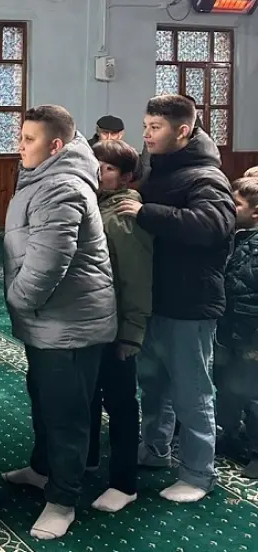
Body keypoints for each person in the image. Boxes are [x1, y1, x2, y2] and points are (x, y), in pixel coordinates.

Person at [1, 105, 116, 540]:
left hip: (69, 324)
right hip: (51, 321)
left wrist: (17, 301)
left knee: (67, 416)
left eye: (28, 139)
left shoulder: (62, 187)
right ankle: (43, 469)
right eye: (21, 136)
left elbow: (48, 264)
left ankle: (63, 500)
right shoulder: (44, 177)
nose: (19, 146)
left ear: (55, 146)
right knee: (45, 401)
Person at [117, 94, 234, 503]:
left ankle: (198, 474)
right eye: (145, 126)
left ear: (182, 131)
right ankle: (156, 449)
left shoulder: (205, 176)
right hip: (157, 298)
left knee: (192, 391)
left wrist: (146, 213)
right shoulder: (158, 168)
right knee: (154, 385)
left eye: (156, 128)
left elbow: (213, 225)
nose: (146, 135)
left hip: (190, 303)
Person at [87, 139, 153, 512]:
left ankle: (124, 483)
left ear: (126, 177)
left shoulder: (124, 216)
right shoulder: (98, 205)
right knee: (90, 394)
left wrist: (131, 333)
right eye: (97, 164)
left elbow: (136, 279)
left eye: (108, 168)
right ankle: (88, 459)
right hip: (95, 321)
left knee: (121, 403)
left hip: (118, 327)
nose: (99, 172)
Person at [214, 176, 258, 480]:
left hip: (252, 333)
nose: (230, 208)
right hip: (230, 328)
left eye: (237, 204)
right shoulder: (235, 237)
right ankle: (230, 435)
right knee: (228, 386)